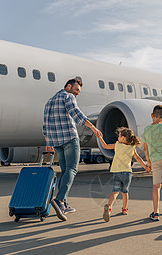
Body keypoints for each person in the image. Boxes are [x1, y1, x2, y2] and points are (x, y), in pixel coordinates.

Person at [43, 78, 102, 221]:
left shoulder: (49, 101)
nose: (77, 93)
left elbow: (45, 124)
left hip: (56, 142)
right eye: (76, 90)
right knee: (72, 169)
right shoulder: (67, 96)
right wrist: (93, 127)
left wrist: (48, 142)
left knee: (65, 171)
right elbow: (76, 114)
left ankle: (64, 204)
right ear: (68, 86)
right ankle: (60, 200)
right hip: (69, 138)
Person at [97, 127, 150, 222]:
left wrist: (100, 137)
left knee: (115, 192)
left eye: (119, 136)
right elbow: (138, 158)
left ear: (123, 138)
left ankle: (109, 207)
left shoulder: (117, 145)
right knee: (125, 192)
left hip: (117, 172)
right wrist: (146, 167)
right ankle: (125, 209)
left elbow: (105, 146)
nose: (118, 137)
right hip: (126, 173)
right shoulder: (132, 147)